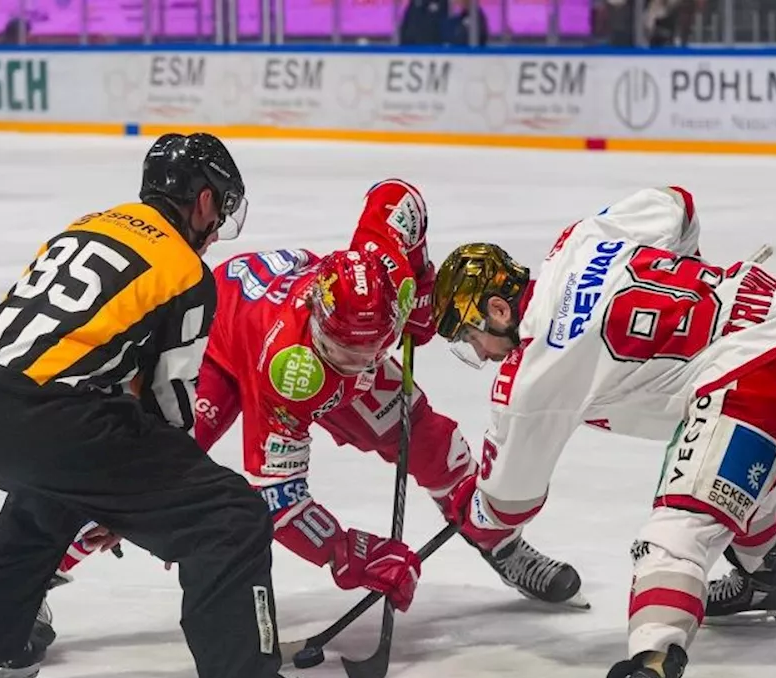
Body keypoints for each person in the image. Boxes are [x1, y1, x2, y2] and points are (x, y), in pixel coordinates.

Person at [0, 132, 320, 678]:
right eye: (219, 207)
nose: (218, 226)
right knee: (228, 513)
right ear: (200, 200)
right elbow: (167, 400)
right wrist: (160, 498)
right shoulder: (182, 268)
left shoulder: (85, 228)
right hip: (49, 417)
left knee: (49, 491)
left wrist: (122, 491)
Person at [429, 187, 776, 678]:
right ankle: (763, 579)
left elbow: (509, 501)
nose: (479, 354)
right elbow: (675, 203)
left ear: (499, 311)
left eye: (469, 336)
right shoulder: (581, 241)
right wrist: (690, 285)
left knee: (674, 535)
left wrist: (473, 513)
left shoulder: (533, 376)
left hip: (761, 376)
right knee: (717, 465)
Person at [51, 180, 588, 618]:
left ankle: (500, 544)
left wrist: (417, 270)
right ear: (316, 321)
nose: (356, 366)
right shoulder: (292, 371)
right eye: (342, 352)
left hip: (308, 330)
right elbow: (280, 500)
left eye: (370, 350)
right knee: (144, 476)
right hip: (219, 346)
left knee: (436, 442)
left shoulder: (383, 272)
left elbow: (397, 195)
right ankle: (40, 572)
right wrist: (349, 553)